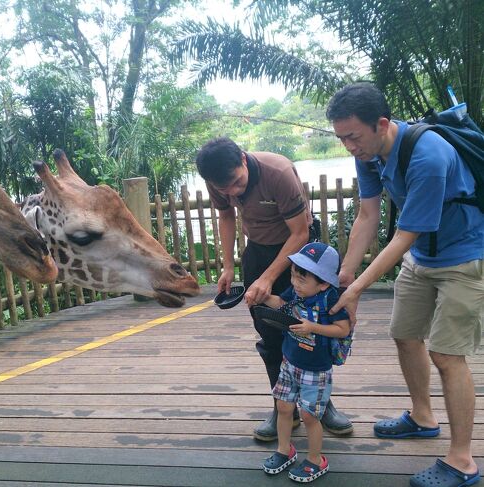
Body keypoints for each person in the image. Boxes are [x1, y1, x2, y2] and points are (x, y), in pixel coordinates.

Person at [326, 82, 484, 486]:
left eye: (353, 137)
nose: (348, 146)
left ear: (381, 124)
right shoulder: (369, 152)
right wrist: (346, 273)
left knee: (447, 355)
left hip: (465, 257)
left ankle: (462, 460)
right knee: (405, 335)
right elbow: (367, 215)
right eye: (341, 137)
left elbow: (403, 235)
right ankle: (422, 417)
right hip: (422, 257)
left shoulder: (429, 156)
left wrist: (357, 288)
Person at [196, 137, 353, 441]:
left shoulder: (277, 173)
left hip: (299, 254)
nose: (233, 193)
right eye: (224, 189)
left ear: (243, 159)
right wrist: (228, 266)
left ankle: (321, 405)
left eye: (237, 184)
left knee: (311, 329)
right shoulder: (217, 178)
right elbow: (226, 216)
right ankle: (283, 407)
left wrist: (268, 278)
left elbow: (300, 232)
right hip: (257, 249)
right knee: (269, 332)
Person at [262, 242, 350, 482]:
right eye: (293, 276)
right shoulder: (296, 292)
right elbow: (282, 304)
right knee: (283, 407)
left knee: (310, 416)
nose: (294, 284)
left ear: (323, 283)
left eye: (302, 280)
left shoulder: (330, 298)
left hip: (316, 370)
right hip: (289, 362)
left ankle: (315, 459)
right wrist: (261, 297)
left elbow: (343, 329)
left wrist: (313, 328)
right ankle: (284, 450)